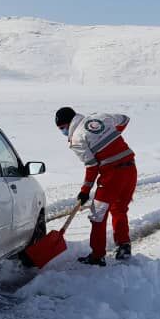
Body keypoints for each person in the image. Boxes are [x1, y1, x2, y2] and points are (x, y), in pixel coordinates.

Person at [55, 106, 137, 266]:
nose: (63, 132)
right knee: (119, 209)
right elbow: (124, 119)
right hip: (130, 169)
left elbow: (92, 167)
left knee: (97, 216)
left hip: (112, 176)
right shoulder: (100, 116)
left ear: (67, 124)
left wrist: (85, 191)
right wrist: (110, 136)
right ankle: (124, 246)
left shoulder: (77, 139)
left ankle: (97, 256)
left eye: (62, 128)